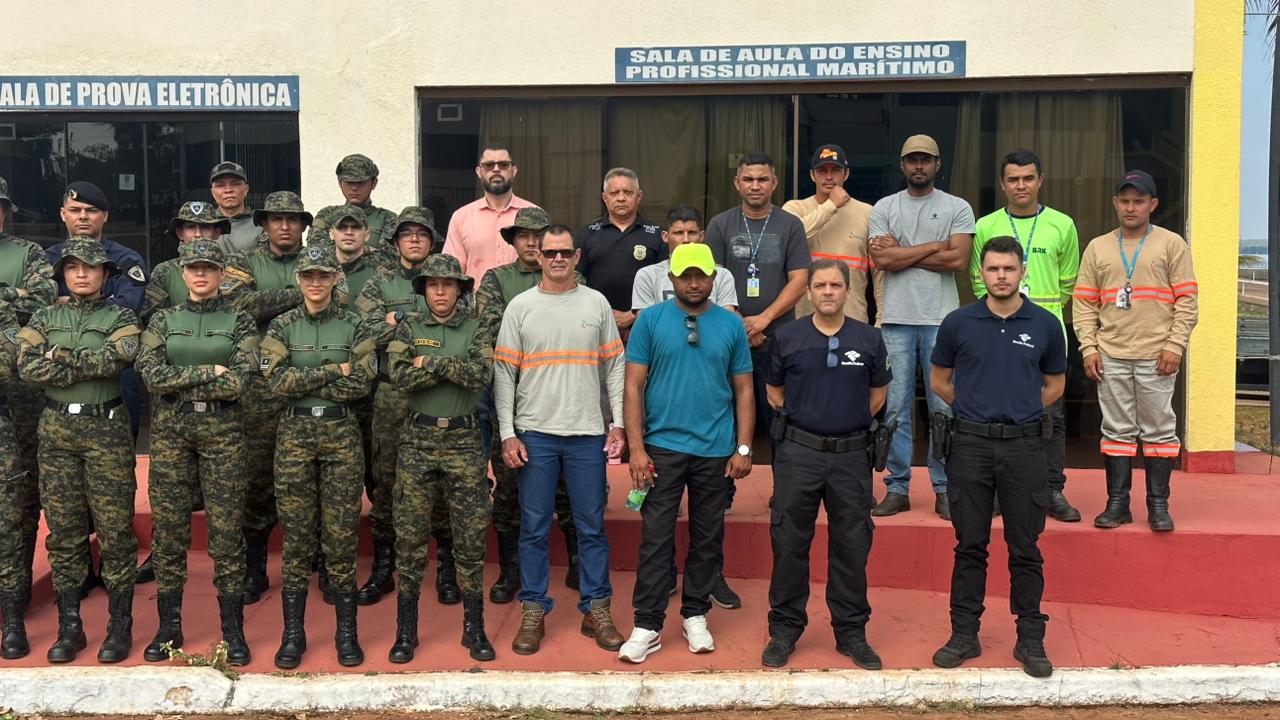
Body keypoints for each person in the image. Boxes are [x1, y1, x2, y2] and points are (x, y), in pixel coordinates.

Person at [927, 235, 1065, 678]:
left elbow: (1055, 386)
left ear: (1023, 271)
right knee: (970, 545)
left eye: (1009, 268)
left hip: (1025, 447)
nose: (1001, 276)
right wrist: (974, 409)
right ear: (981, 274)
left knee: (1025, 547)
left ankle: (1030, 638)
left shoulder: (1045, 324)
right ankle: (964, 634)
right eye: (993, 269)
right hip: (969, 445)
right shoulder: (958, 322)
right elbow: (940, 380)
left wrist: (1019, 411)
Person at [616, 243, 754, 664]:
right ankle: (648, 624)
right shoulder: (651, 321)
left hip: (715, 450)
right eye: (685, 275)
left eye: (702, 275)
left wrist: (743, 446)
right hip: (661, 449)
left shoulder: (730, 325)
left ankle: (695, 613)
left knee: (708, 536)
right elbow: (633, 386)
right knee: (656, 538)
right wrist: (636, 449)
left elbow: (744, 389)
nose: (694, 282)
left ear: (714, 277)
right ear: (671, 279)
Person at [494, 224, 626, 656]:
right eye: (548, 252)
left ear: (576, 257)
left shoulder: (596, 303)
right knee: (533, 528)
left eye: (564, 252)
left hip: (587, 433)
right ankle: (533, 608)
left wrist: (618, 423)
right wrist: (508, 432)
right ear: (538, 257)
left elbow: (615, 367)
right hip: (536, 435)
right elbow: (504, 374)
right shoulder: (520, 307)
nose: (556, 259)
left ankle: (597, 608)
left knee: (591, 526)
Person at [760, 258, 891, 670]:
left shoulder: (870, 339)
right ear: (809, 292)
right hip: (799, 455)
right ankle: (784, 631)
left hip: (852, 457)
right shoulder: (789, 337)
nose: (829, 292)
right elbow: (775, 393)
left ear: (848, 290)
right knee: (789, 544)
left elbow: (878, 395)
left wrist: (843, 423)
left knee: (852, 546)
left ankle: (851, 633)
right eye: (821, 285)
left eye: (836, 285)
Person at [17, 237, 141, 664]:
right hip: (57, 431)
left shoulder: (121, 315)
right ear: (63, 274)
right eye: (73, 268)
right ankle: (71, 628)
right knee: (65, 532)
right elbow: (28, 365)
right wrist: (83, 355)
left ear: (106, 274)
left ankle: (119, 626)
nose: (82, 274)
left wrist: (60, 355)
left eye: (91, 267)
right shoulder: (44, 315)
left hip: (105, 428)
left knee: (114, 530)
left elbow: (117, 358)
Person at [135, 240, 257, 666]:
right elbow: (151, 375)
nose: (201, 274)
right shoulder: (163, 319)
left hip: (223, 432)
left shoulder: (239, 321)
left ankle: (232, 630)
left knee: (226, 533)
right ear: (182, 273)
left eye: (209, 268)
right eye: (193, 268)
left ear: (222, 274)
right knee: (169, 533)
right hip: (172, 432)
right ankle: (169, 627)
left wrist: (181, 377)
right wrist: (210, 371)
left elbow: (240, 381)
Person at [259, 245, 376, 669]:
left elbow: (361, 382)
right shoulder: (281, 325)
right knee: (297, 536)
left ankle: (347, 633)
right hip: (294, 434)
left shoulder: (355, 325)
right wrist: (333, 370)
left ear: (334, 280)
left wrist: (305, 378)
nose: (314, 283)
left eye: (323, 276)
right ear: (298, 280)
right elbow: (275, 381)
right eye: (308, 276)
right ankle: (294, 634)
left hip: (341, 433)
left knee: (341, 535)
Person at [704, 151, 809, 602]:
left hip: (780, 338)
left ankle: (783, 496)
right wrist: (740, 327)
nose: (754, 185)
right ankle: (721, 493)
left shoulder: (789, 225)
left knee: (780, 418)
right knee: (727, 421)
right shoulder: (720, 225)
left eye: (762, 179)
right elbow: (706, 279)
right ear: (736, 182)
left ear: (775, 182)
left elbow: (801, 278)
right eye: (747, 178)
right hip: (729, 339)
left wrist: (764, 320)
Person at [385, 253, 496, 663]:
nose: (441, 292)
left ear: (460, 289)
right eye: (433, 285)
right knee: (410, 538)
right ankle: (406, 632)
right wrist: (452, 366)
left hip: (464, 439)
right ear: (424, 289)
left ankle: (474, 628)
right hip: (418, 438)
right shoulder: (410, 325)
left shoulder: (477, 325)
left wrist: (428, 361)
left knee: (469, 538)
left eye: (448, 285)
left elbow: (480, 375)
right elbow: (400, 377)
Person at [1073, 170, 1198, 532]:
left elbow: (1187, 301)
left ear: (1152, 204)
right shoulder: (1098, 247)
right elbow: (1083, 304)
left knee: (1159, 431)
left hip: (1157, 356)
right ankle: (1118, 504)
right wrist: (1089, 348)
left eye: (1138, 201)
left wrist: (1175, 346)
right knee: (1116, 430)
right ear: (1115, 203)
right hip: (1111, 355)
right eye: (1124, 200)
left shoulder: (1172, 244)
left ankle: (1158, 506)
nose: (1130, 207)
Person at [476, 207, 584, 604]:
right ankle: (511, 570)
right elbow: (489, 328)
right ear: (515, 241)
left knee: (568, 489)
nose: (532, 242)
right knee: (507, 488)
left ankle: (576, 563)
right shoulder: (495, 279)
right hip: (511, 394)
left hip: (562, 396)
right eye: (523, 236)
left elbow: (577, 325)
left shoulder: (570, 274)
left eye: (539, 235)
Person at [868, 135, 975, 521]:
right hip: (894, 320)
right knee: (894, 408)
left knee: (943, 406)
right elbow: (881, 259)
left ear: (937, 164)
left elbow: (959, 259)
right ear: (902, 164)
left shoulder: (957, 207)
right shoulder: (884, 207)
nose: (919, 166)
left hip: (941, 321)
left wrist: (905, 252)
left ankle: (945, 487)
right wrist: (934, 246)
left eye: (925, 160)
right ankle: (897, 488)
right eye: (912, 159)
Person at [972, 149, 1082, 523]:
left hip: (1047, 333)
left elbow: (1069, 281)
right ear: (1003, 184)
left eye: (1028, 178)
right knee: (1000, 415)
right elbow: (977, 279)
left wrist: (1035, 316)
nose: (1021, 185)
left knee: (1051, 415)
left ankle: (1052, 490)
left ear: (1040, 180)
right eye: (1014, 179)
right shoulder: (986, 225)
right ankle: (1002, 492)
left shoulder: (1062, 224)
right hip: (997, 334)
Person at [352, 207, 455, 606]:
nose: (414, 240)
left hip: (438, 393)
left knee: (444, 483)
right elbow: (366, 332)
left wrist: (400, 319)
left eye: (422, 234)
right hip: (393, 396)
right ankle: (384, 567)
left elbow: (459, 325)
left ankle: (446, 568)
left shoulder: (449, 281)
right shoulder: (378, 285)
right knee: (387, 481)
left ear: (433, 241)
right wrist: (420, 322)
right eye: (406, 234)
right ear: (395, 243)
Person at [220, 190, 310, 604]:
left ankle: (316, 561)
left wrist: (271, 302)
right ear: (264, 224)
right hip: (260, 387)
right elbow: (239, 305)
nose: (285, 226)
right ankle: (255, 564)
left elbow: (339, 297)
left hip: (310, 382)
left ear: (303, 225)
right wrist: (305, 294)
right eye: (276, 219)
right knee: (257, 477)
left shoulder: (317, 259)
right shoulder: (243, 262)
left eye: (293, 220)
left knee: (311, 479)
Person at [0, 176, 56, 648]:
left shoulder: (28, 254)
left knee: (21, 490)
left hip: (19, 388)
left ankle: (14, 598)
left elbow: (39, 301)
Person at [49, 182, 148, 443]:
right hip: (56, 371)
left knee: (119, 462)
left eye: (91, 210)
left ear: (105, 216)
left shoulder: (126, 260)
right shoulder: (46, 260)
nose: (83, 216)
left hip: (114, 375)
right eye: (75, 209)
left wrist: (65, 304)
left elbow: (127, 308)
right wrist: (102, 302)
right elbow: (34, 311)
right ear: (63, 214)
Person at [782, 144, 882, 323]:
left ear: (846, 174)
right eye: (822, 171)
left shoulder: (867, 212)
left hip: (853, 319)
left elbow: (880, 273)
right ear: (812, 175)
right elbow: (790, 236)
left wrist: (881, 319)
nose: (829, 176)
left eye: (835, 170)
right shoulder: (794, 208)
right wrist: (832, 205)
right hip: (805, 319)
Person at [574, 168, 664, 337]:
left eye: (628, 192)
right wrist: (603, 314)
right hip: (594, 326)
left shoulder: (658, 234)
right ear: (604, 198)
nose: (621, 198)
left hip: (645, 327)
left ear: (639, 197)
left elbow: (664, 285)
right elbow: (575, 282)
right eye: (614, 192)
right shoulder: (587, 234)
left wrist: (633, 314)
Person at [444, 144, 534, 283]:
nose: (496, 169)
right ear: (479, 172)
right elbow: (452, 272)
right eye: (489, 165)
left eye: (503, 165)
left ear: (514, 171)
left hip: (524, 302)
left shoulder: (533, 214)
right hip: (477, 303)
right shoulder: (461, 217)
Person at [631, 204, 737, 313]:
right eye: (679, 233)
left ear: (701, 236)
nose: (686, 239)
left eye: (692, 232)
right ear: (665, 236)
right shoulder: (647, 276)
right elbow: (645, 324)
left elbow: (727, 324)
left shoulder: (722, 275)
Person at [142, 201, 233, 324]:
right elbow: (154, 318)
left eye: (205, 227)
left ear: (216, 232)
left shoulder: (233, 268)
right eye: (191, 227)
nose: (198, 234)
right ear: (180, 233)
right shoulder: (164, 272)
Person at [307, 155, 399, 254]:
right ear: (340, 183)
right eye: (349, 182)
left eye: (360, 182)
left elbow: (390, 257)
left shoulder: (387, 218)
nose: (354, 188)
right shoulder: (327, 215)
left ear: (374, 183)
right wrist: (366, 250)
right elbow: (316, 253)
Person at [209, 161, 259, 254]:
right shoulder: (203, 224)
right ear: (213, 192)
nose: (228, 190)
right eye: (220, 185)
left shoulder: (260, 223)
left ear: (246, 189)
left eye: (235, 184)